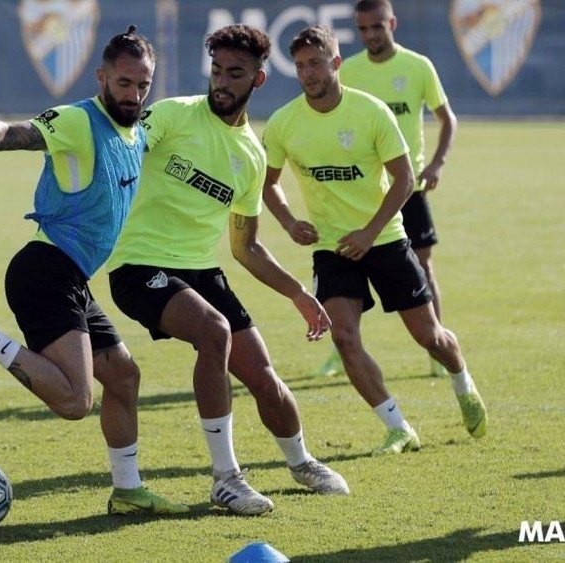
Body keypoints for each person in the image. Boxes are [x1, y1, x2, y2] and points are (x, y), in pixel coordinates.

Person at [0, 27, 186, 516]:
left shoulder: (138, 130)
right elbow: (12, 135)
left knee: (122, 375)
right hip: (44, 271)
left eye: (144, 85)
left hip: (72, 278)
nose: (135, 94)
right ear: (102, 76)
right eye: (125, 83)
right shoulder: (78, 120)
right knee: (76, 401)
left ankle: (126, 491)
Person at [107, 24, 349, 517]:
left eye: (234, 73)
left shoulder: (251, 157)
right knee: (214, 331)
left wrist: (299, 294)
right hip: (139, 266)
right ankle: (226, 478)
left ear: (258, 80)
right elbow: (119, 145)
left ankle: (301, 463)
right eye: (216, 71)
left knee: (263, 375)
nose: (221, 82)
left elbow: (247, 248)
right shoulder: (173, 116)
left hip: (202, 272)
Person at [261, 24, 487, 456]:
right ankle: (398, 426)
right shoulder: (284, 123)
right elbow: (268, 184)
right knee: (344, 338)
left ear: (336, 63)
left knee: (429, 337)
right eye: (301, 65)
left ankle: (463, 383)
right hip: (332, 247)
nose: (308, 73)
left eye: (316, 63)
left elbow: (404, 178)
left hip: (384, 238)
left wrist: (369, 231)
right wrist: (290, 222)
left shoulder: (370, 112)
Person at [312, 0, 458, 379]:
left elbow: (447, 119)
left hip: (408, 189)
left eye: (377, 26)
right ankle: (340, 352)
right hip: (362, 194)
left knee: (423, 267)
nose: (370, 35)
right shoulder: (351, 71)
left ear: (392, 22)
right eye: (362, 29)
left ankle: (435, 348)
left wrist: (438, 163)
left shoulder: (417, 66)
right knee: (345, 273)